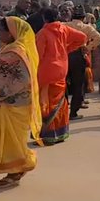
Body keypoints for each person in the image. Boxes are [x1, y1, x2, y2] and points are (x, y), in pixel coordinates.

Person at [0, 17, 42, 189]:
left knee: (13, 140)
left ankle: (15, 171)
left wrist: (3, 94)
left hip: (14, 103)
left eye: (2, 30)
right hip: (7, 103)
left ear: (11, 33)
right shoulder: (8, 49)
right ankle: (16, 168)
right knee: (7, 139)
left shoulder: (16, 53)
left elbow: (23, 80)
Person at [35, 8, 88, 144]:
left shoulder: (43, 33)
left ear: (45, 19)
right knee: (60, 101)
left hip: (46, 71)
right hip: (62, 68)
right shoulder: (64, 29)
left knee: (46, 103)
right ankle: (61, 132)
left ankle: (48, 135)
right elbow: (82, 37)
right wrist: (67, 49)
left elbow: (38, 56)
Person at [64, 5, 100, 120]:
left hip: (65, 56)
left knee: (63, 84)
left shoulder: (64, 25)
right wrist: (88, 47)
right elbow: (99, 38)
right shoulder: (87, 27)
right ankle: (73, 112)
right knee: (78, 85)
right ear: (83, 17)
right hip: (79, 55)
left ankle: (63, 110)